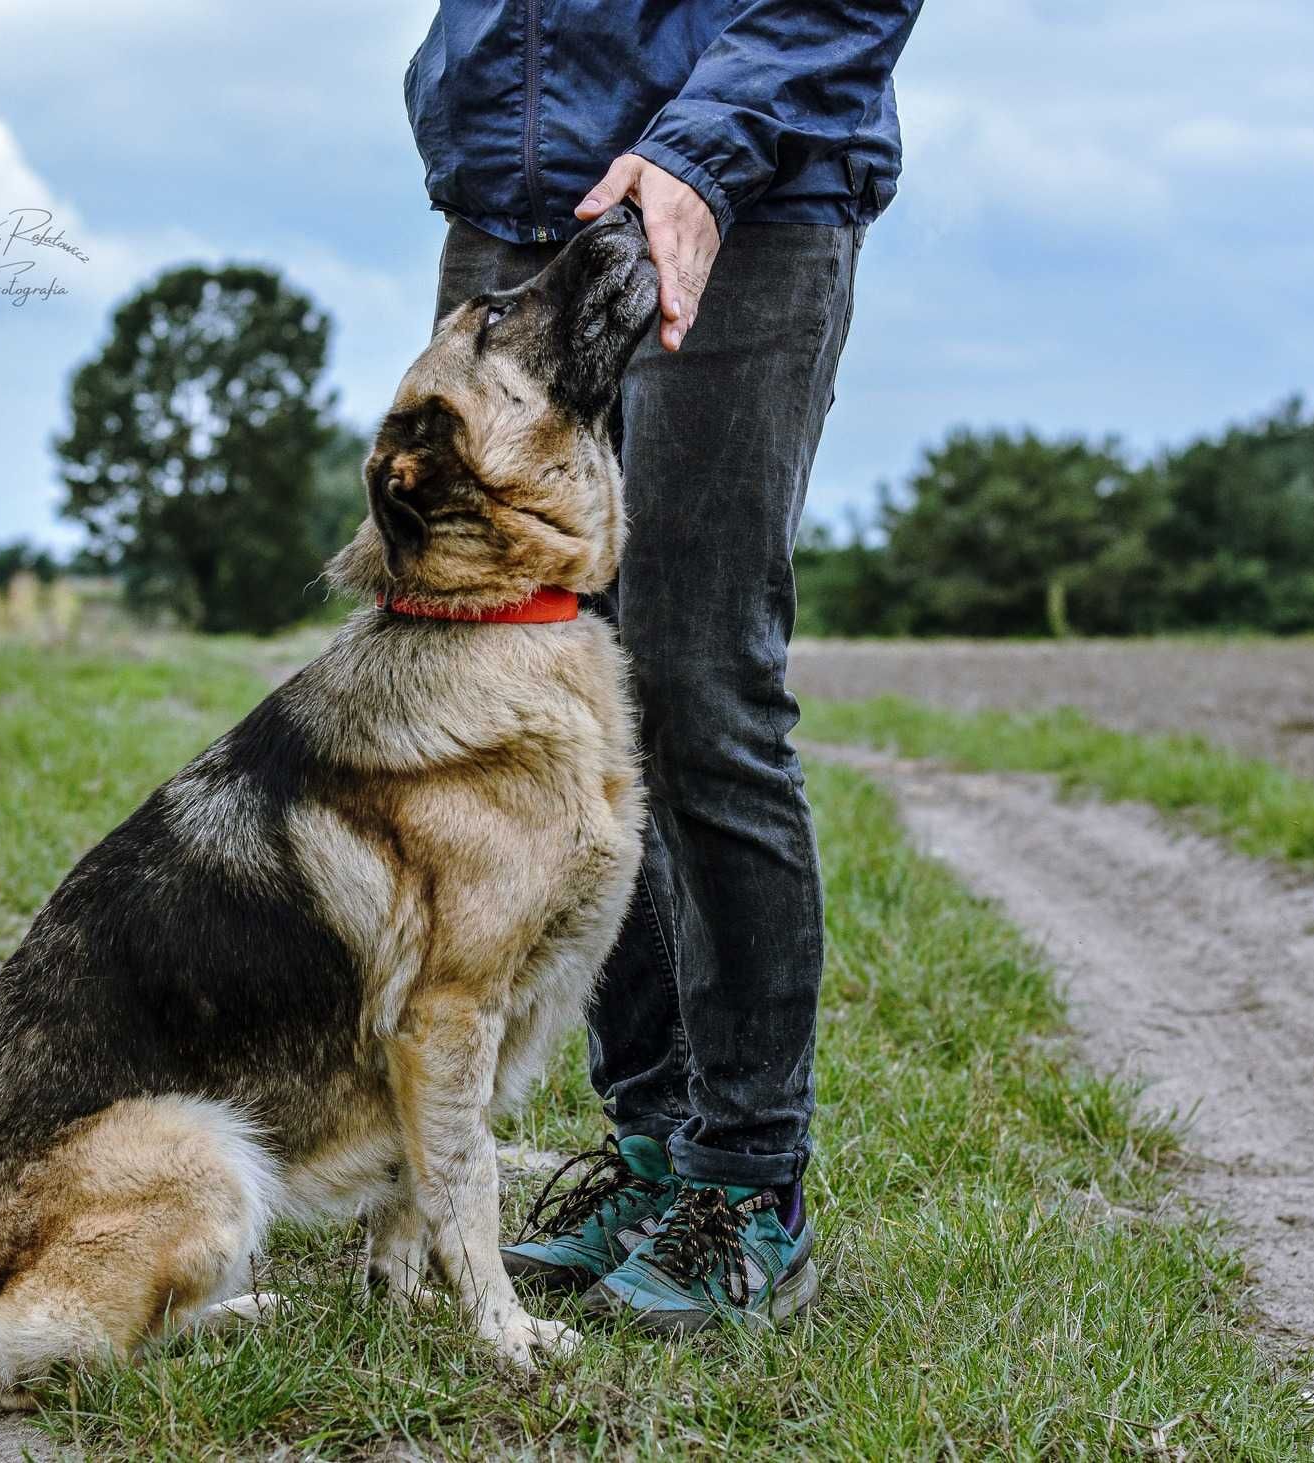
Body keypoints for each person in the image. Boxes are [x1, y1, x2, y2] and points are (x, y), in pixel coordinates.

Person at [403, 0, 924, 1330]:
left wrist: (703, 145)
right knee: (558, 703)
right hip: (518, 189)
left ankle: (748, 1191)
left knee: (695, 690)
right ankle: (651, 1158)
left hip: (744, 195)